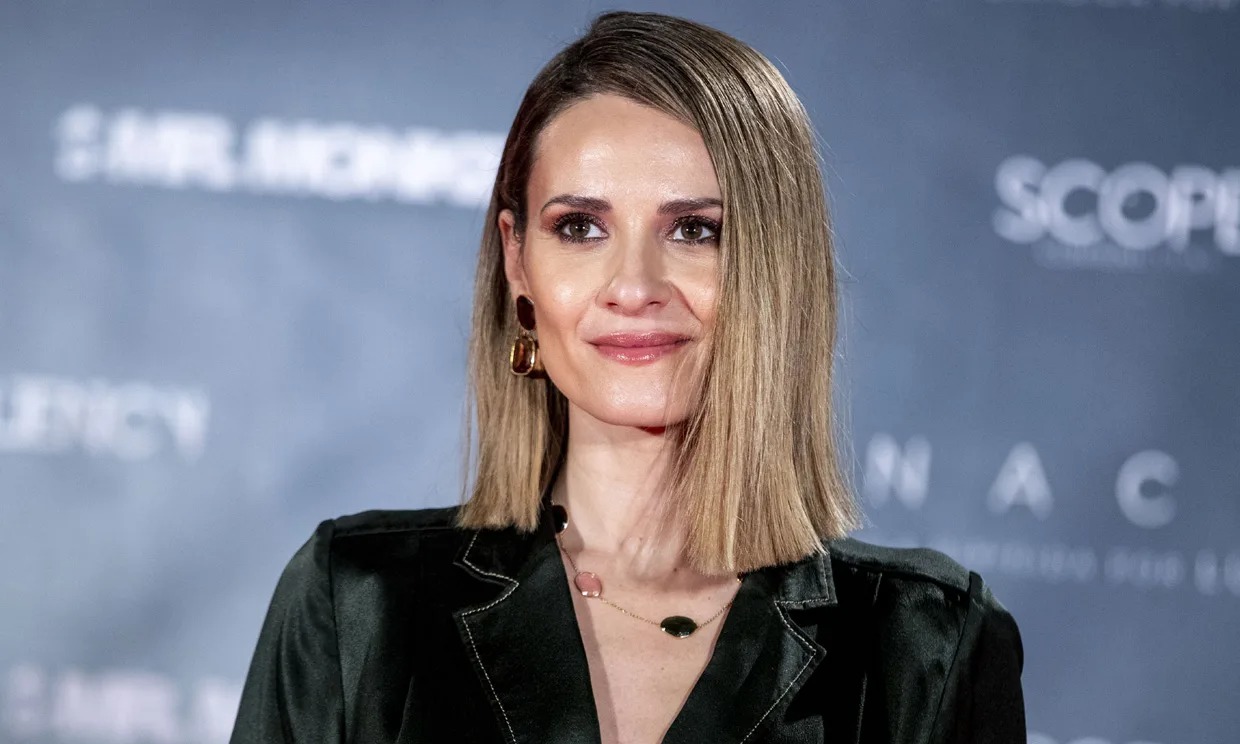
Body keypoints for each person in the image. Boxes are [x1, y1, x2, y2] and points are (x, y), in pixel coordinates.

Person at [230, 10, 1025, 744]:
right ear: (518, 263)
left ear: (777, 268)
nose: (634, 286)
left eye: (695, 230)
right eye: (580, 227)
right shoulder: (358, 605)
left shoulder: (924, 645)